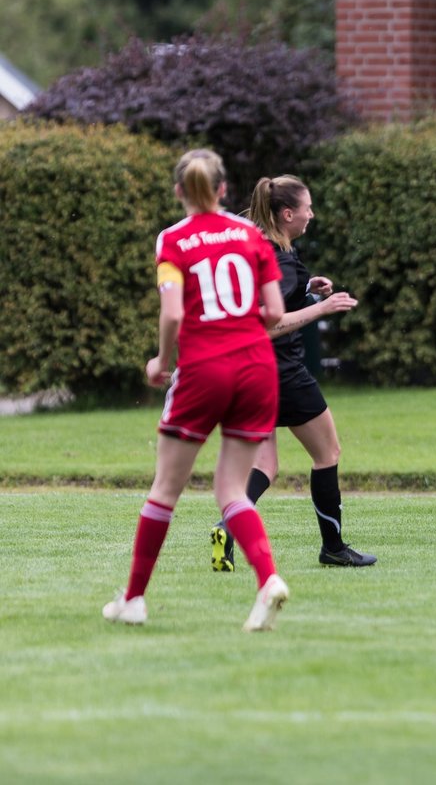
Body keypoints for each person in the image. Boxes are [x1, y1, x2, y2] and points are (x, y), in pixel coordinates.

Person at [103, 149, 290, 631]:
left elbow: (172, 314)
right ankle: (267, 579)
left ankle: (134, 599)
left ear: (178, 192)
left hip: (205, 367)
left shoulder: (173, 240)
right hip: (256, 366)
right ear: (224, 189)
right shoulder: (252, 235)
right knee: (231, 488)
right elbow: (273, 312)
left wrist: (160, 363)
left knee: (166, 488)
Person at [210, 174, 376, 571]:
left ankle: (227, 527)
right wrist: (322, 307)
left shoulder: (252, 242)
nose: (311, 215)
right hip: (278, 371)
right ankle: (333, 547)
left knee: (265, 464)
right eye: (306, 208)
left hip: (240, 368)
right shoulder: (281, 259)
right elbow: (267, 323)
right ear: (287, 214)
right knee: (327, 453)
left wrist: (305, 290)